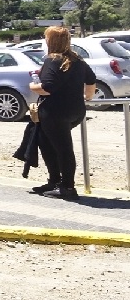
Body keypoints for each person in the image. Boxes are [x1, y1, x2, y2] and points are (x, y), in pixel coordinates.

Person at [29, 26, 97, 201]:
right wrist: (87, 97)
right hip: (75, 111)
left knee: (63, 149)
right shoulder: (77, 60)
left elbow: (47, 88)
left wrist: (32, 86)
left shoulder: (53, 60)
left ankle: (67, 187)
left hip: (55, 112)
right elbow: (91, 81)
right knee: (46, 143)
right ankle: (55, 181)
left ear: (50, 41)